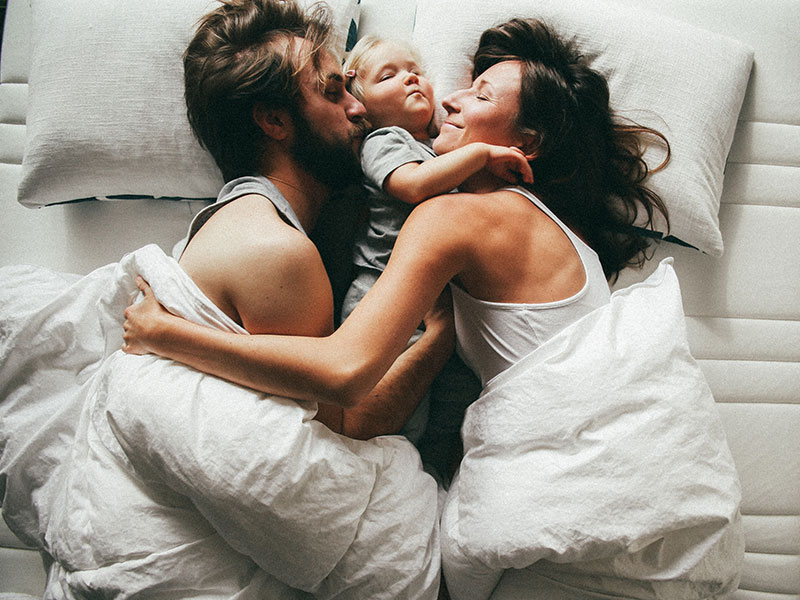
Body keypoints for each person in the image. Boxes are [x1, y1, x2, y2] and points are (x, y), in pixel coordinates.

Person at [123, 17, 670, 439]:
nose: (446, 97)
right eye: (335, 90)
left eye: (480, 94)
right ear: (274, 122)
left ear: (524, 145)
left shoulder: (458, 216)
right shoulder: (550, 227)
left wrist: (166, 335)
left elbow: (345, 387)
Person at [174, 0, 456, 439]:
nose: (358, 108)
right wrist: (441, 335)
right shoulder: (274, 252)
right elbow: (345, 427)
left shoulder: (271, 219)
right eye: (332, 92)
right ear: (274, 121)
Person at [335, 35, 533, 446]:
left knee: (450, 403)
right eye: (388, 76)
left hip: (436, 300)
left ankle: (433, 465)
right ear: (363, 108)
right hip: (379, 291)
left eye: (416, 71)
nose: (410, 79)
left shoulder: (434, 150)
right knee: (393, 411)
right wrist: (480, 155)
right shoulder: (384, 141)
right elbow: (412, 186)